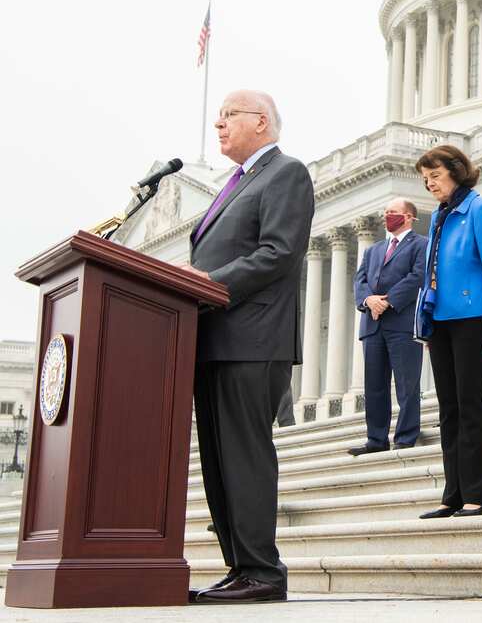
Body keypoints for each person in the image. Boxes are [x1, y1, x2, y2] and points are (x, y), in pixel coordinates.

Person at [183, 90, 313, 603]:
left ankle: (263, 571)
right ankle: (239, 568)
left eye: (227, 116)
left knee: (245, 456)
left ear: (260, 122)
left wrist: (207, 282)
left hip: (253, 340)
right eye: (216, 117)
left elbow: (279, 252)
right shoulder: (234, 184)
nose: (218, 125)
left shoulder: (286, 173)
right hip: (215, 338)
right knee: (218, 460)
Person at [414, 145, 482, 518]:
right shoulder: (440, 215)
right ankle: (452, 493)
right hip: (440, 322)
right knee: (448, 410)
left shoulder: (479, 209)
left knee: (471, 407)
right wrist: (426, 325)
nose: (430, 184)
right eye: (426, 179)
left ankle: (477, 494)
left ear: (456, 171)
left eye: (435, 175)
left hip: (472, 320)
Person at [348, 199, 427, 455]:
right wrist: (368, 300)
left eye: (391, 213)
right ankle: (376, 439)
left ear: (408, 216)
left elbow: (417, 276)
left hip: (402, 323)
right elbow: (360, 281)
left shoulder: (421, 245)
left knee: (407, 383)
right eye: (385, 213)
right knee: (374, 385)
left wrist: (389, 301)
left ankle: (405, 436)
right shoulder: (373, 250)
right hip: (372, 324)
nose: (386, 217)